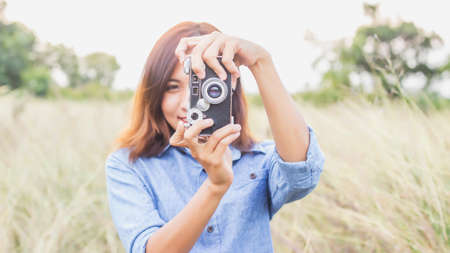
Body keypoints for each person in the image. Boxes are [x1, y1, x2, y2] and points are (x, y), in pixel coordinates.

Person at [105, 21, 325, 253]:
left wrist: (261, 62)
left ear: (230, 89)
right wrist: (216, 185)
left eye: (200, 85)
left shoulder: (257, 158)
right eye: (172, 87)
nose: (188, 103)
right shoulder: (129, 166)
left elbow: (302, 174)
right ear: (155, 93)